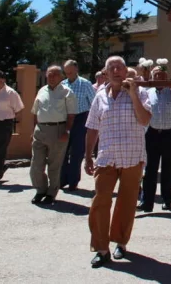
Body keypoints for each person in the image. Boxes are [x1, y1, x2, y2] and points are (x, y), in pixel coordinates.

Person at [85, 56, 152, 268]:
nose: (116, 70)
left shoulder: (140, 92)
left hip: (132, 156)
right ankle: (101, 248)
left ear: (126, 71)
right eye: (111, 67)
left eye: (120, 67)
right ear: (105, 73)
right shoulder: (99, 97)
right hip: (106, 157)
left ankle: (121, 243)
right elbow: (92, 127)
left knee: (127, 202)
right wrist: (87, 155)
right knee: (100, 201)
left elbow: (145, 120)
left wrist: (133, 94)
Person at [139, 60, 171, 212]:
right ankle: (146, 202)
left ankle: (167, 199)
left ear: (167, 76)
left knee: (168, 167)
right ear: (152, 76)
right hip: (152, 133)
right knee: (150, 168)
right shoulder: (147, 92)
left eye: (162, 75)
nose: (159, 78)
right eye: (156, 75)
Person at [30, 66, 78, 205]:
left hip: (58, 130)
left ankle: (51, 193)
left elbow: (71, 115)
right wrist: (33, 130)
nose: (51, 77)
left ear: (61, 77)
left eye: (54, 75)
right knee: (36, 165)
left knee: (54, 165)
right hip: (40, 130)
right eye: (49, 75)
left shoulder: (67, 92)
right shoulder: (41, 91)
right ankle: (40, 190)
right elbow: (35, 112)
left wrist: (67, 131)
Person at [60, 59, 96, 192]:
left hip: (80, 118)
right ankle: (62, 179)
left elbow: (94, 103)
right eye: (66, 72)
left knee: (77, 152)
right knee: (62, 150)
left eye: (70, 71)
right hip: (65, 118)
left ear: (76, 69)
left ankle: (73, 181)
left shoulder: (85, 84)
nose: (68, 74)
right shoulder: (62, 84)